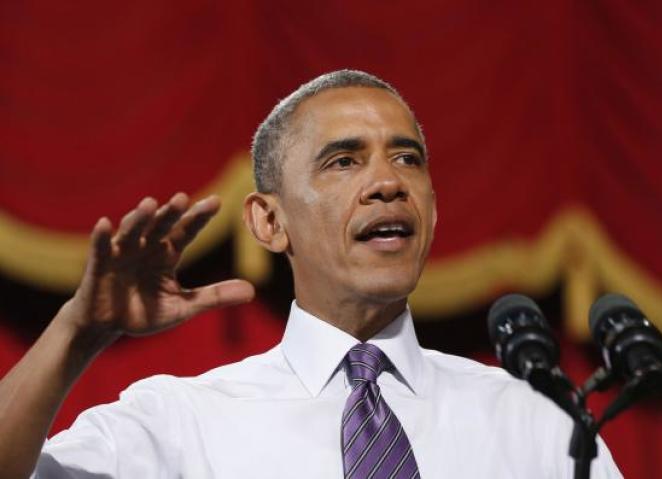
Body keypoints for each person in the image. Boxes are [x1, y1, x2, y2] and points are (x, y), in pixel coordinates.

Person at [0, 70, 622, 478]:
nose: (388, 183)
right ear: (269, 222)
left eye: (408, 158)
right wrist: (75, 333)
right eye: (343, 161)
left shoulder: (535, 424)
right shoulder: (179, 424)